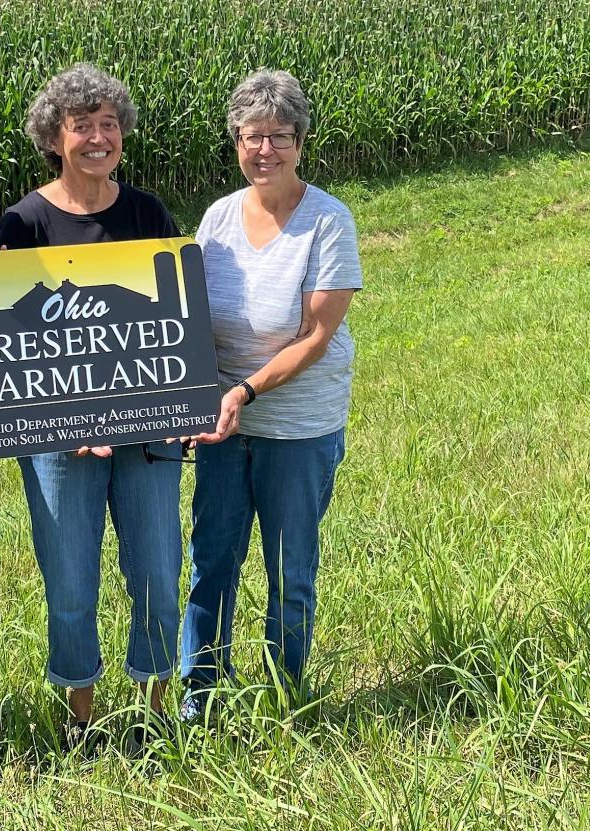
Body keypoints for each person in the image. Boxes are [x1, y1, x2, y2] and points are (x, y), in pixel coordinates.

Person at [0, 63, 183, 751]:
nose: (98, 138)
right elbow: (14, 342)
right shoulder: (24, 220)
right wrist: (69, 420)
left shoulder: (146, 212)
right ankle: (81, 717)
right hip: (57, 439)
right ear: (55, 137)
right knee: (70, 581)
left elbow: (172, 320)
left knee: (158, 576)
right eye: (83, 127)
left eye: (109, 125)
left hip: (147, 434)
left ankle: (153, 711)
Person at [180, 69, 362, 718]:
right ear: (234, 141)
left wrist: (245, 390)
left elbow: (315, 335)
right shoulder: (217, 219)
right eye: (251, 136)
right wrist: (186, 392)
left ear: (300, 141)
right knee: (212, 563)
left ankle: (283, 698)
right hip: (223, 426)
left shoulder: (327, 221)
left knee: (290, 571)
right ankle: (198, 699)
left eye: (277, 136)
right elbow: (188, 318)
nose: (264, 150)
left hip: (297, 426)